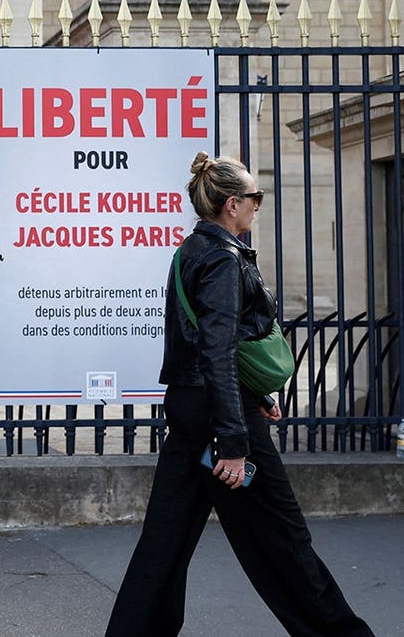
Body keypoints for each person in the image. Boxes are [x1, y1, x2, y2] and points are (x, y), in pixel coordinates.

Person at [104, 152, 372, 636]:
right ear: (232, 204)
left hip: (192, 408)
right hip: (219, 418)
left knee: (164, 543)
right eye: (255, 197)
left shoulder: (190, 250)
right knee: (282, 539)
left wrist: (252, 394)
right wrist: (232, 441)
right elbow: (217, 349)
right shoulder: (224, 260)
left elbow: (209, 345)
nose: (258, 206)